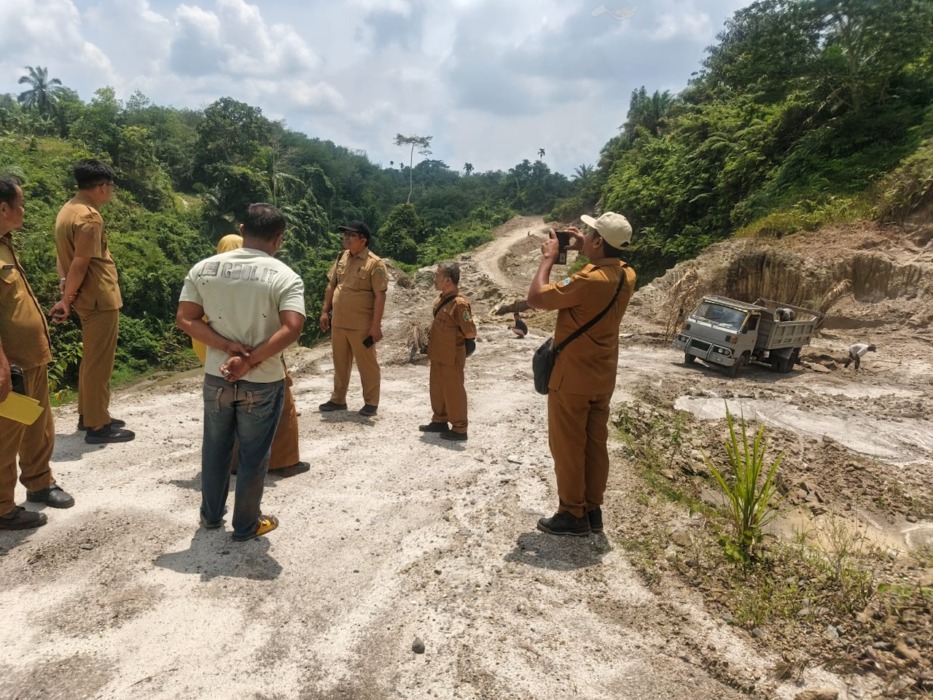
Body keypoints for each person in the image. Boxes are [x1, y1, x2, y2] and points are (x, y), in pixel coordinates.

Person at [176, 203, 305, 541]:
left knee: (215, 448)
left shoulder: (204, 269)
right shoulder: (285, 276)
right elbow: (293, 327)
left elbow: (185, 318)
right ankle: (246, 524)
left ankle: (210, 517)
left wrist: (225, 346)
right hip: (262, 380)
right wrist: (250, 360)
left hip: (217, 375)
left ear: (242, 230)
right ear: (278, 238)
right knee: (253, 455)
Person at [527, 212, 637, 537]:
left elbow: (536, 297)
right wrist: (583, 248)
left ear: (600, 242)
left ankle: (571, 513)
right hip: (602, 378)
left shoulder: (588, 281)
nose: (584, 236)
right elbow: (608, 265)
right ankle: (592, 509)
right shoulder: (627, 274)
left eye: (590, 234)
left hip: (572, 379)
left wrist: (548, 259)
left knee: (568, 447)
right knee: (594, 445)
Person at [193, 233, 308, 474]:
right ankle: (283, 461)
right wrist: (252, 357)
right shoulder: (269, 275)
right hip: (261, 355)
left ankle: (232, 464)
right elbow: (286, 325)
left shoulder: (209, 278)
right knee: (279, 408)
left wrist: (222, 349)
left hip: (220, 360)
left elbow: (192, 320)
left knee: (228, 417)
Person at [0, 175, 75, 530]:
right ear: (3, 208)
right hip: (10, 365)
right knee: (6, 435)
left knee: (38, 424)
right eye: (20, 204)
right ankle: (2, 507)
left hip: (29, 358)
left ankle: (40, 482)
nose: (24, 210)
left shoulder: (5, 244)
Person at [50, 159, 134, 444]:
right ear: (101, 186)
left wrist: (66, 289)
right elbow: (80, 263)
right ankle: (98, 426)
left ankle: (89, 413)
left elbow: (63, 259)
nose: (111, 191)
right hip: (99, 297)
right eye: (110, 186)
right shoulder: (89, 218)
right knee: (100, 363)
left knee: (92, 358)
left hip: (86, 296)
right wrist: (66, 299)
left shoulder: (68, 209)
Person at [318, 221, 388, 417]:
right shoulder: (342, 257)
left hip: (361, 325)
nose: (346, 238)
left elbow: (380, 296)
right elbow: (332, 285)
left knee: (367, 365)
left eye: (351, 235)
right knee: (340, 363)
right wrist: (325, 311)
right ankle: (338, 399)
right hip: (339, 322)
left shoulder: (375, 263)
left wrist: (376, 326)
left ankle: (371, 402)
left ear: (363, 240)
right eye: (345, 235)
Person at [419, 262, 477, 441]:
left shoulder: (459, 304)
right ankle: (440, 420)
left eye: (438, 275)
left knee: (453, 391)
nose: (435, 278)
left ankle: (460, 428)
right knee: (437, 390)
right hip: (438, 354)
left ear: (448, 281)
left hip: (452, 356)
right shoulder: (440, 299)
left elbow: (470, 332)